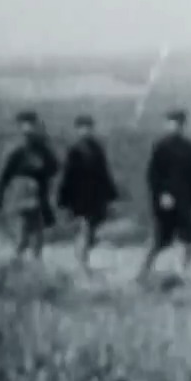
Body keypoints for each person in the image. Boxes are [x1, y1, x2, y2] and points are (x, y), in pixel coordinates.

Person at [138, 109, 191, 281]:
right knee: (160, 239)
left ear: (183, 126)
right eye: (171, 123)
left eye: (178, 124)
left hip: (186, 200)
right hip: (166, 201)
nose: (174, 127)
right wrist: (162, 194)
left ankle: (185, 273)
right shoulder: (161, 147)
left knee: (189, 239)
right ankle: (143, 272)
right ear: (166, 125)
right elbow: (153, 175)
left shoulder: (190, 148)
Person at [0, 111, 61, 261]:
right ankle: (16, 266)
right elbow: (5, 174)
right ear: (19, 126)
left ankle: (33, 267)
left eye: (31, 124)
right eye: (25, 124)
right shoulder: (15, 148)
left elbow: (54, 167)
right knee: (22, 235)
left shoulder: (42, 148)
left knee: (37, 235)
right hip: (20, 193)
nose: (28, 128)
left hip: (37, 194)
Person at [58, 114, 119, 271]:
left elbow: (104, 173)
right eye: (82, 128)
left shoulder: (97, 149)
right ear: (77, 130)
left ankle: (82, 257)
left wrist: (111, 196)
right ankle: (82, 265)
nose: (86, 131)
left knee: (91, 230)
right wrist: (64, 200)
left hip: (96, 196)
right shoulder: (74, 150)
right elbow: (67, 176)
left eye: (88, 128)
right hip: (80, 196)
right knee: (85, 229)